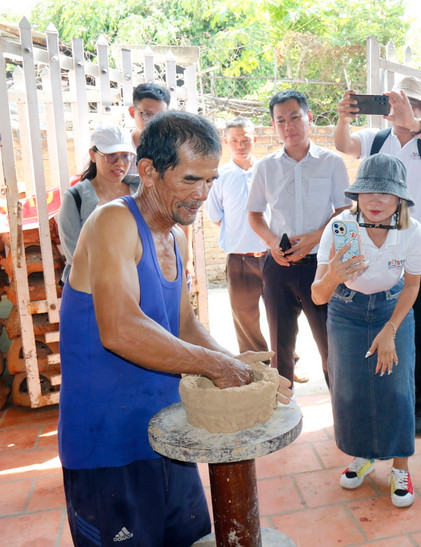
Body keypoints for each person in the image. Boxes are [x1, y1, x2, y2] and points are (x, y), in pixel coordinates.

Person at [58, 110, 292, 546]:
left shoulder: (176, 237)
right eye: (190, 180)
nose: (202, 194)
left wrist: (243, 372)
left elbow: (184, 324)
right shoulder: (113, 223)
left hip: (168, 431)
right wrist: (217, 368)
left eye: (210, 180)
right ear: (149, 172)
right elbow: (120, 330)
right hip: (107, 442)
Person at [334, 76, 421, 435]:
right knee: (371, 315)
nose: (402, 110)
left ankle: (420, 404)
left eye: (412, 104)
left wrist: (413, 124)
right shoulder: (376, 139)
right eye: (397, 102)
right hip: (372, 239)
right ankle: (377, 399)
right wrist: (343, 118)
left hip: (416, 241)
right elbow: (344, 144)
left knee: (418, 325)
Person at [311, 153, 421, 508]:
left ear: (400, 198)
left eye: (385, 193)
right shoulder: (340, 228)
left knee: (397, 388)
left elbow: (412, 286)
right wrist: (334, 275)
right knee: (351, 386)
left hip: (393, 309)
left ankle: (400, 468)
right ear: (357, 195)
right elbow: (318, 296)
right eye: (368, 192)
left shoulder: (411, 231)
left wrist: (391, 328)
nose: (375, 201)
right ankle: (363, 454)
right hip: (346, 310)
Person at [248, 90, 350, 386]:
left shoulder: (331, 162)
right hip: (278, 266)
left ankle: (341, 407)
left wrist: (317, 237)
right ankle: (283, 405)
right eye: (280, 120)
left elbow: (344, 211)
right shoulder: (265, 166)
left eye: (294, 117)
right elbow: (254, 214)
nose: (288, 126)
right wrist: (271, 243)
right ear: (273, 125)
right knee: (280, 348)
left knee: (331, 345)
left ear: (309, 118)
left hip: (321, 267)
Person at [206, 116, 269, 354]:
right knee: (245, 318)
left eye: (245, 140)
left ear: (255, 139)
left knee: (281, 313)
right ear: (226, 142)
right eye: (234, 140)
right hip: (239, 259)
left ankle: (285, 362)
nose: (240, 146)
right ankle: (259, 365)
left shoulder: (268, 171)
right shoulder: (219, 177)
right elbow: (216, 216)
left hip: (272, 256)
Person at [58, 125, 137, 280]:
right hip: (91, 286)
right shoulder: (75, 198)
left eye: (125, 156)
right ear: (93, 155)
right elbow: (76, 257)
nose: (120, 163)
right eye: (111, 155)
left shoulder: (142, 191)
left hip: (139, 283)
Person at [124, 83, 171, 184]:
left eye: (159, 116)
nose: (153, 121)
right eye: (147, 114)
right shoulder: (118, 148)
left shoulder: (173, 149)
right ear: (132, 112)